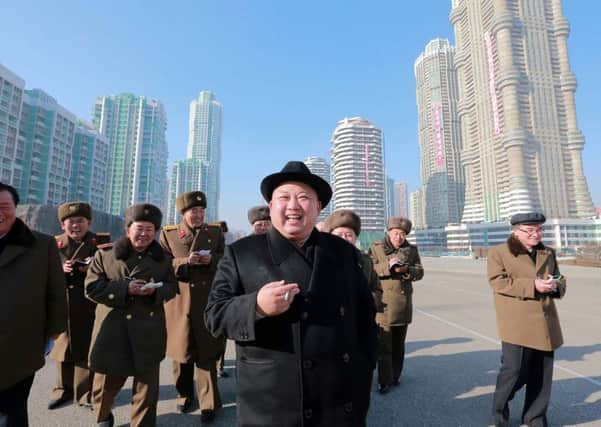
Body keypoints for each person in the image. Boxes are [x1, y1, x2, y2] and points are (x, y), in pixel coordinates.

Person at [205, 161, 378, 427]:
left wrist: (365, 367)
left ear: (318, 207)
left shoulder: (343, 252)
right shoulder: (242, 253)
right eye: (284, 198)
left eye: (304, 198)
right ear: (271, 207)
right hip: (271, 402)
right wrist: (257, 307)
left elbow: (365, 315)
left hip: (339, 398)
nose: (294, 205)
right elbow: (214, 316)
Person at [85, 203, 177, 427]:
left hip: (148, 329)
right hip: (112, 330)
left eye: (150, 229)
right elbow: (91, 288)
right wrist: (125, 289)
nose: (144, 233)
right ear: (128, 229)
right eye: (139, 228)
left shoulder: (163, 258)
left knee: (147, 389)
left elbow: (172, 287)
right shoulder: (105, 254)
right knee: (105, 386)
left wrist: (156, 290)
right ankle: (103, 416)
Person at [488, 213, 566, 427]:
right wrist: (533, 285)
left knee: (541, 375)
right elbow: (498, 282)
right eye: (529, 230)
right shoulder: (499, 253)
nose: (536, 234)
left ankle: (535, 418)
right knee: (513, 372)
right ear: (515, 231)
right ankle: (499, 414)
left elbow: (559, 277)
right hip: (517, 324)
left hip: (545, 322)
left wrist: (555, 285)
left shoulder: (548, 252)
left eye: (539, 229)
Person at [0, 182, 67, 426]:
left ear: (15, 208)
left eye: (4, 206)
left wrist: (53, 333)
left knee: (12, 412)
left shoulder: (41, 244)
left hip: (21, 346)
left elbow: (56, 292)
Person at [159, 192, 225, 423]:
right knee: (181, 351)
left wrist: (212, 261)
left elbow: (224, 259)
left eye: (201, 211)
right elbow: (161, 264)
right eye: (193, 211)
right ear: (183, 213)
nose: (198, 215)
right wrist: (185, 262)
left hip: (207, 299)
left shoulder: (215, 232)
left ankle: (209, 402)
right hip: (179, 301)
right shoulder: (169, 234)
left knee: (206, 352)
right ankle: (184, 394)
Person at [48, 202, 111, 410]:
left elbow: (112, 270)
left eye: (80, 221)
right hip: (62, 305)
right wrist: (60, 270)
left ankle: (84, 393)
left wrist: (91, 269)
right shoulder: (53, 244)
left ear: (89, 222)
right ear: (62, 224)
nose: (76, 226)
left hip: (89, 305)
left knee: (85, 349)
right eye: (71, 222)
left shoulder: (101, 243)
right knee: (62, 349)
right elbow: (43, 274)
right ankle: (62, 391)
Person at [369, 217, 423, 394]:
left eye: (402, 234)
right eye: (395, 233)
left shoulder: (411, 249)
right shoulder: (376, 247)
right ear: (389, 232)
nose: (399, 237)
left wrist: (407, 270)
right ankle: (384, 380)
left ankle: (396, 375)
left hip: (403, 304)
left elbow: (420, 271)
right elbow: (369, 268)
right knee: (384, 346)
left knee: (399, 345)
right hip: (383, 304)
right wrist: (388, 266)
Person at [324, 209, 383, 314]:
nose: (344, 239)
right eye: (339, 235)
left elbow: (377, 289)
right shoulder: (320, 259)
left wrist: (366, 299)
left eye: (349, 235)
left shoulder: (365, 261)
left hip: (360, 320)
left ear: (356, 238)